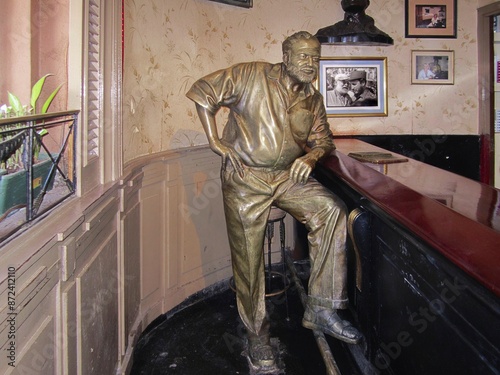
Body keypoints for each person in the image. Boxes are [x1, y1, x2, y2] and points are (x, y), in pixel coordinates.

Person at [186, 31, 361, 370]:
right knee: (249, 260)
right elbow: (203, 92)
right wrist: (215, 142)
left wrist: (311, 158)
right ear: (285, 55)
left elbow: (324, 141)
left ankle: (322, 309)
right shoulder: (250, 74)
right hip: (246, 179)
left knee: (332, 210)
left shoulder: (312, 99)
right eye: (304, 56)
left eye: (315, 56)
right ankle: (256, 336)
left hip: (286, 177)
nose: (311, 63)